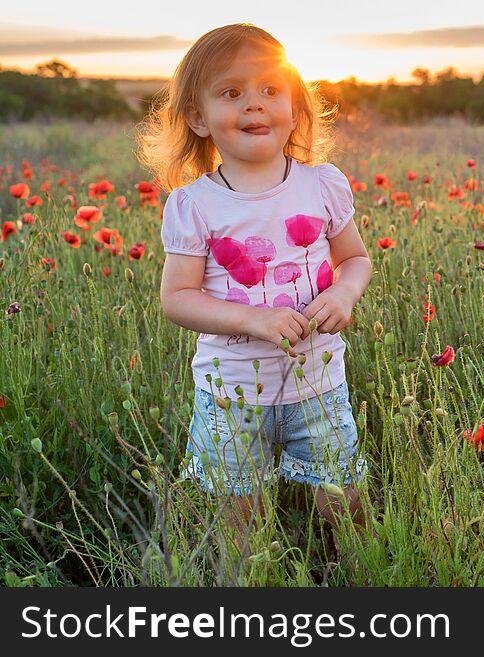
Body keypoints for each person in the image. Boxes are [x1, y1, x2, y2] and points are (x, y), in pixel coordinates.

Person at [136, 23, 373, 567]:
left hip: (319, 384)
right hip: (231, 394)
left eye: (271, 89)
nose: (255, 106)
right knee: (242, 518)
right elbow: (178, 298)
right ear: (197, 117)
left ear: (294, 105)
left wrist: (344, 294)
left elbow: (355, 260)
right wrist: (256, 320)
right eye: (231, 92)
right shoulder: (195, 205)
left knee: (344, 504)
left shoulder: (322, 184)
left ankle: (362, 582)